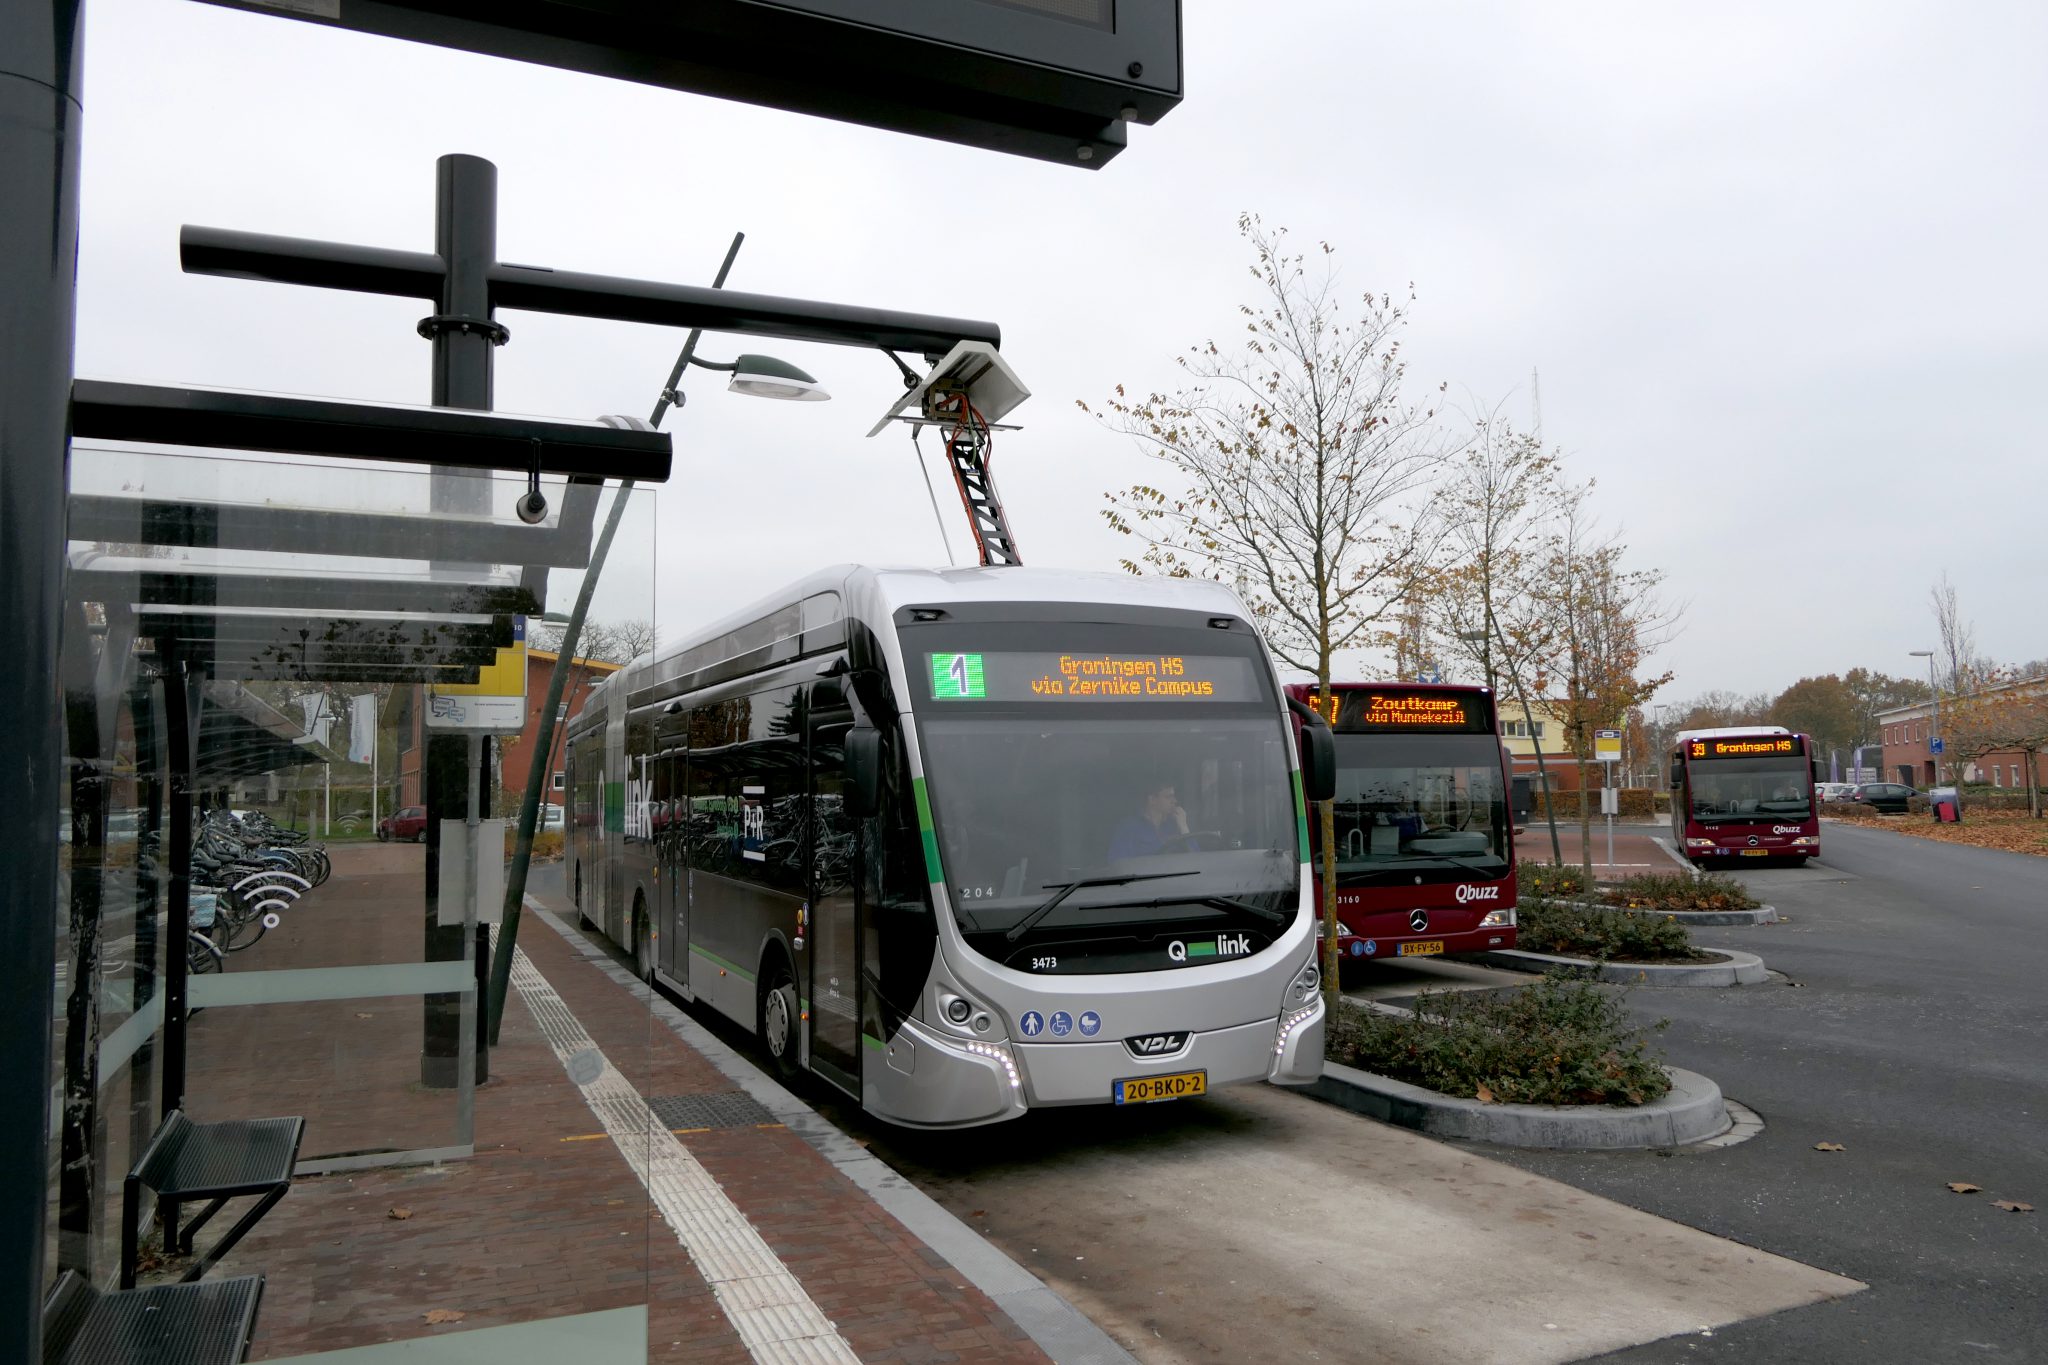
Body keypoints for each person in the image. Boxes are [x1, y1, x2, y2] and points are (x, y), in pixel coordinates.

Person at [1108, 779, 1190, 859]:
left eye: (1174, 796)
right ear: (1152, 800)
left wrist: (1184, 827)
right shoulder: (1129, 828)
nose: (1174, 801)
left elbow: (1194, 858)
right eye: (1168, 797)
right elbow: (1119, 864)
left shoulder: (1174, 825)